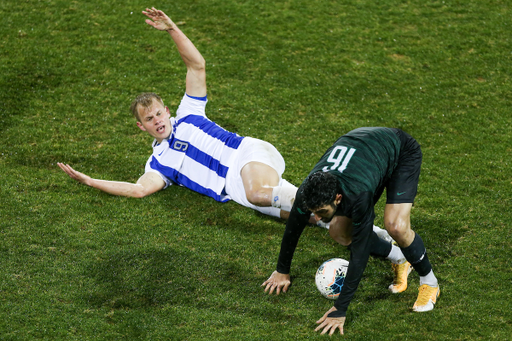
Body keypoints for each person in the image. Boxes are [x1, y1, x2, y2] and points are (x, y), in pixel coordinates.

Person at [58, 7, 313, 221]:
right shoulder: (157, 165)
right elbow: (138, 190)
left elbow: (197, 66)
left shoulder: (189, 113)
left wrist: (172, 29)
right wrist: (92, 181)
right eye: (149, 119)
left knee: (257, 193)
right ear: (141, 126)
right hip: (233, 189)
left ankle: (321, 200)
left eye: (159, 113)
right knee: (311, 216)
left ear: (167, 111)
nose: (157, 120)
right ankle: (335, 210)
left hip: (245, 155)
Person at [262, 127, 440, 335]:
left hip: (399, 151)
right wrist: (282, 270)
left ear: (338, 198)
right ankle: (400, 258)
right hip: (363, 151)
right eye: (314, 213)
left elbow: (360, 252)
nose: (317, 219)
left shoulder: (358, 195)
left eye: (321, 212)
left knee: (396, 226)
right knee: (338, 231)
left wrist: (340, 308)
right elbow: (294, 225)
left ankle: (430, 282)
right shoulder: (307, 192)